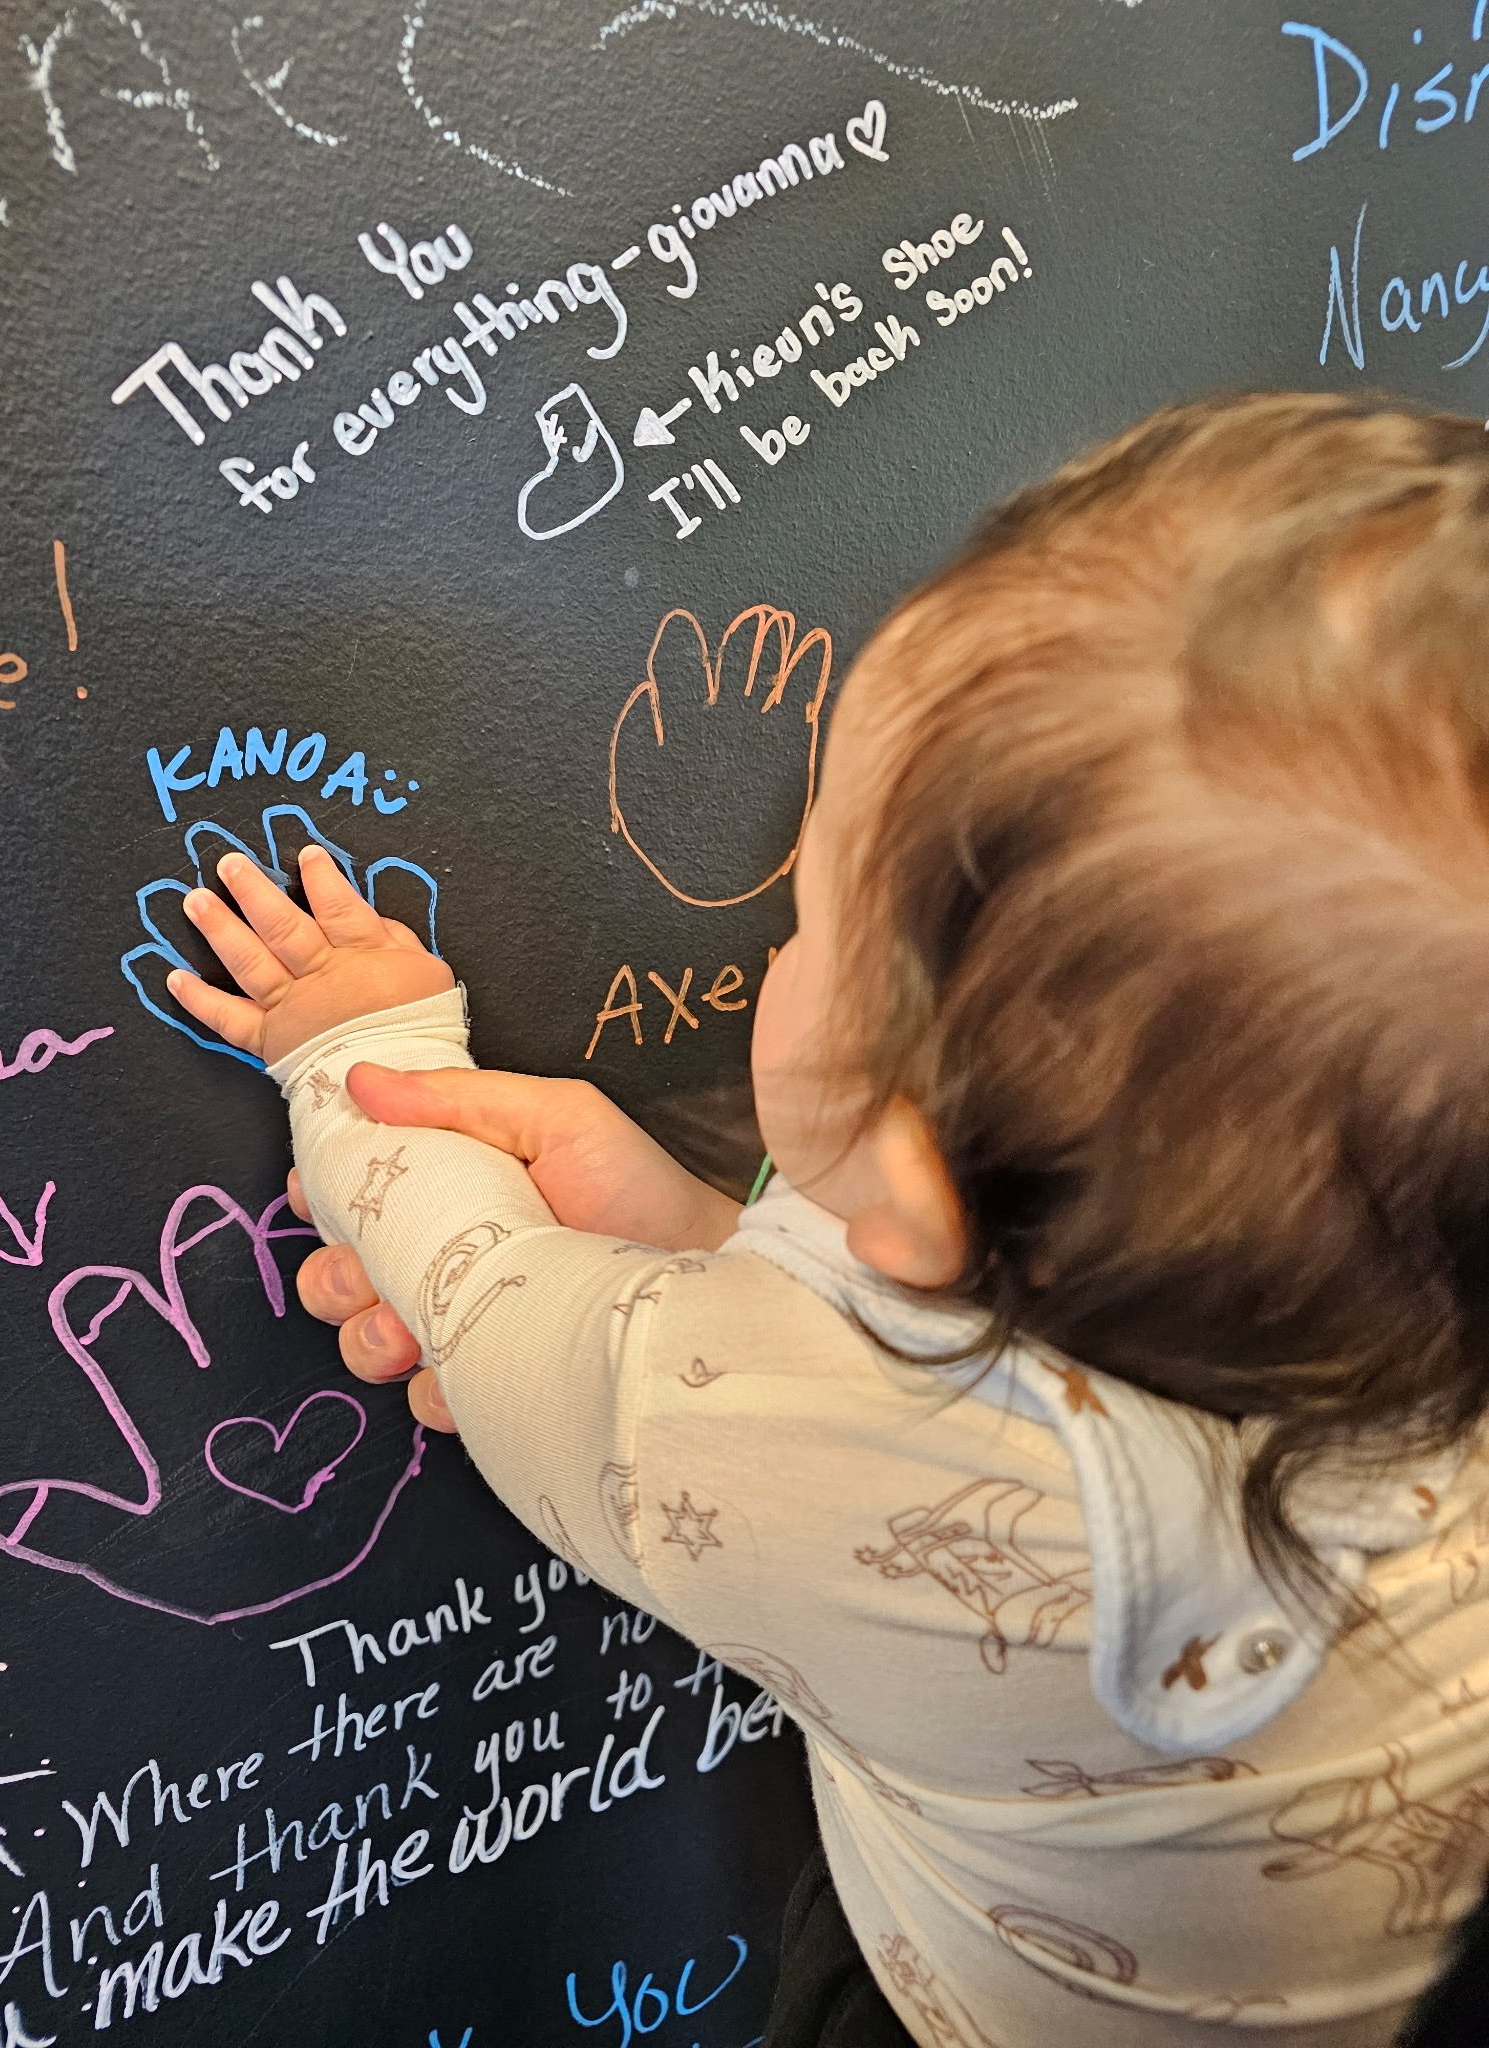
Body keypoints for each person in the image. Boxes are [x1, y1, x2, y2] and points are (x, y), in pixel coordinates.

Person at [167, 392, 1489, 2047]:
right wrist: (701, 1238)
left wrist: (362, 1048)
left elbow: (493, 1317)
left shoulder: (850, 1464)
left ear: (927, 1185)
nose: (780, 939)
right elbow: (937, 1335)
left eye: (809, 910)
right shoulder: (1397, 1260)